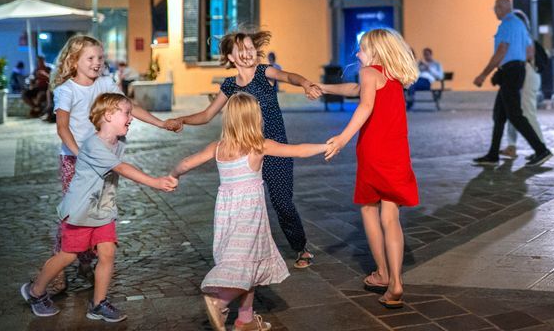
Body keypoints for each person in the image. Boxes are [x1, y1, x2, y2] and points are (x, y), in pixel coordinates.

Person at [170, 93, 327, 331]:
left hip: (226, 215)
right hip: (250, 217)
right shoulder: (258, 146)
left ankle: (245, 319)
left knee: (248, 263)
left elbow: (187, 162)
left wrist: (174, 175)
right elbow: (298, 150)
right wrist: (327, 145)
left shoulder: (218, 147)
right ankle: (219, 302)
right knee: (244, 264)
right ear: (254, 119)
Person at [168, 30, 323, 269]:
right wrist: (183, 120)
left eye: (251, 48)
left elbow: (288, 76)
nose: (248, 53)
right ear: (231, 57)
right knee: (246, 203)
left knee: (282, 201)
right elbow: (208, 115)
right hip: (245, 153)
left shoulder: (264, 72)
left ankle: (300, 247)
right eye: (242, 49)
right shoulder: (229, 85)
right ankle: (244, 250)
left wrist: (304, 83)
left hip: (274, 146)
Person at [20, 93, 178, 322]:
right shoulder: (94, 146)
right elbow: (122, 168)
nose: (131, 118)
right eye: (126, 113)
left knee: (108, 253)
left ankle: (98, 303)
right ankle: (35, 291)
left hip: (102, 211)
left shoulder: (119, 140)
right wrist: (155, 182)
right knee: (67, 256)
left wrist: (162, 123)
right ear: (108, 115)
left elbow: (121, 154)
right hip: (80, 212)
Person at [48, 35, 181, 294]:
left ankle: (86, 260)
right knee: (76, 214)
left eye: (100, 57)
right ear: (74, 61)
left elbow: (129, 107)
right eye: (90, 58)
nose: (97, 62)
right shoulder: (67, 90)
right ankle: (58, 266)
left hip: (105, 158)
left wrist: (161, 123)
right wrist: (81, 154)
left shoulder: (106, 83)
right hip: (75, 161)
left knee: (99, 209)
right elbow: (63, 128)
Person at [321, 28, 420, 309]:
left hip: (374, 152)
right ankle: (396, 283)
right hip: (398, 152)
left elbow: (364, 105)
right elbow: (355, 91)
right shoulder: (394, 76)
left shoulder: (368, 74)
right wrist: (325, 88)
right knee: (391, 217)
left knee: (368, 208)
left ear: (375, 51)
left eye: (361, 49)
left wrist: (341, 138)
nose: (356, 54)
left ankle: (382, 273)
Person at [472, 0, 553, 167]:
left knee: (515, 115)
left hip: (510, 71)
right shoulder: (520, 25)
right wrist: (517, 62)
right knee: (499, 115)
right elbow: (530, 52)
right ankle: (493, 154)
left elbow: (501, 50)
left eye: (496, 8)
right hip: (517, 69)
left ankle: (541, 150)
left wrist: (483, 74)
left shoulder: (507, 24)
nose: (494, 11)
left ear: (502, 8)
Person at [502, 9, 545, 158]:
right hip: (523, 75)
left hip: (528, 75)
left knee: (528, 113)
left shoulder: (523, 36)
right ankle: (511, 146)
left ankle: (542, 148)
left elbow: (529, 55)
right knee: (513, 111)